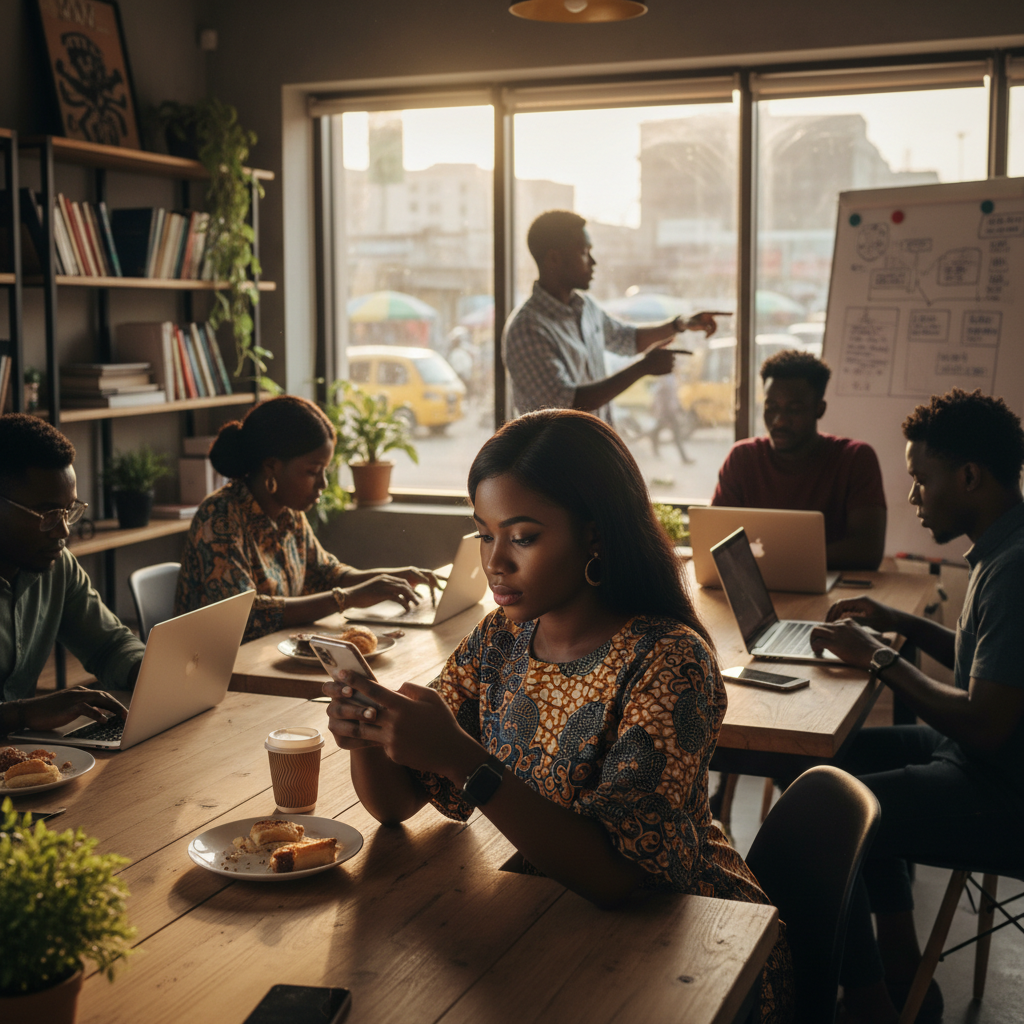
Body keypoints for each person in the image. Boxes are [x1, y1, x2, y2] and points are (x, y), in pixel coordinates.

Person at [323, 409, 794, 1024]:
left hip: (689, 941)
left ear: (596, 535)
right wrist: (368, 730)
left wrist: (461, 756)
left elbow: (619, 878)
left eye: (522, 537)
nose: (496, 562)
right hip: (551, 913)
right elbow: (396, 804)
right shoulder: (501, 640)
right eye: (484, 534)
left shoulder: (668, 659)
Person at [808, 388, 1024, 1024]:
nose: (912, 497)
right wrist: (894, 621)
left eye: (920, 480)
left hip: (1002, 789)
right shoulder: (1002, 549)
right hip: (988, 762)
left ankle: (874, 1001)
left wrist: (878, 657)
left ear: (968, 476)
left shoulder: (1014, 570)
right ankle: (903, 970)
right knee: (832, 766)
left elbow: (985, 724)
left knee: (829, 824)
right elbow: (986, 667)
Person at [174, 395, 439, 643]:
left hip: (270, 654)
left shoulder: (289, 514)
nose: (323, 483)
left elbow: (327, 573)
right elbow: (246, 615)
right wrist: (348, 598)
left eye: (325, 470)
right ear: (272, 467)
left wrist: (387, 580)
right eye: (313, 471)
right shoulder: (219, 519)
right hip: (221, 670)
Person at [503, 210, 726, 423]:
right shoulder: (527, 328)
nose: (593, 262)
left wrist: (680, 324)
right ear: (553, 259)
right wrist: (643, 368)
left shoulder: (585, 306)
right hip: (555, 458)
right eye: (583, 252)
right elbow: (566, 403)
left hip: (593, 449)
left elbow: (626, 339)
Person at [0, 414, 140, 734]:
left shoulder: (56, 565)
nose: (62, 531)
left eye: (69, 511)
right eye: (48, 514)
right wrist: (23, 714)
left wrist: (151, 671)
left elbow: (109, 646)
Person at [711, 349, 887, 570]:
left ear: (819, 409)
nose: (779, 421)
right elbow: (715, 540)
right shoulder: (742, 458)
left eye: (794, 410)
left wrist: (779, 562)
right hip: (759, 586)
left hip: (834, 591)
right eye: (771, 407)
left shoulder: (855, 458)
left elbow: (868, 551)